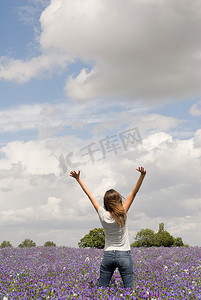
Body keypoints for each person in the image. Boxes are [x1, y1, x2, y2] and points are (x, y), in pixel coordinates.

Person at [70, 166, 146, 289]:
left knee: (102, 290)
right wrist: (142, 176)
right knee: (130, 290)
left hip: (108, 255)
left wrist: (78, 179)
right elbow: (134, 192)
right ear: (119, 200)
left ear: (105, 203)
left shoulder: (103, 214)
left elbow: (90, 196)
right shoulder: (123, 212)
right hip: (124, 255)